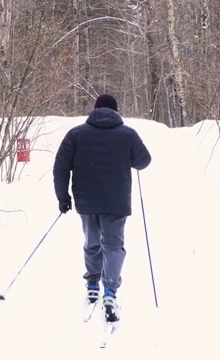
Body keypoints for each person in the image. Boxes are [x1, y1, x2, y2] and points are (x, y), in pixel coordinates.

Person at [52, 93, 152, 322]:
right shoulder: (127, 134)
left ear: (95, 110)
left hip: (86, 200)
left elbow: (60, 168)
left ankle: (92, 285)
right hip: (116, 202)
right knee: (114, 246)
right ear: (116, 111)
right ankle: (110, 290)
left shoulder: (76, 134)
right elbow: (144, 161)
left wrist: (63, 197)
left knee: (92, 242)